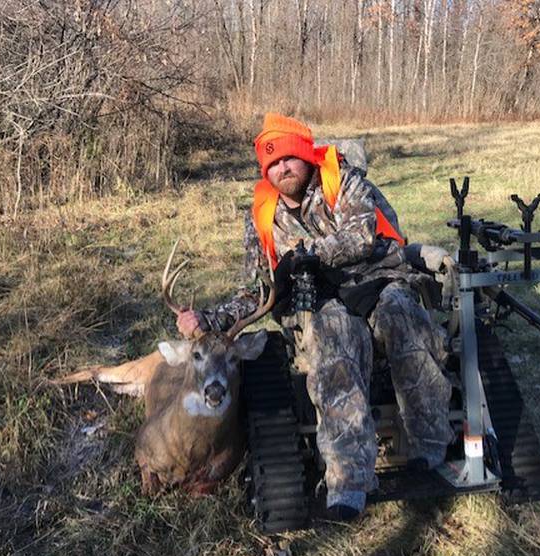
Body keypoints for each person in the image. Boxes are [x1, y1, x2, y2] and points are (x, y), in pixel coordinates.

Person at [176, 113, 455, 521]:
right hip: (318, 300)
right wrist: (210, 318)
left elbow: (362, 236)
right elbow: (255, 290)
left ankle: (429, 445)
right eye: (271, 163)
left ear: (306, 156)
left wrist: (308, 253)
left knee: (404, 316)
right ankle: (349, 479)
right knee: (332, 335)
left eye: (288, 157)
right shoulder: (262, 218)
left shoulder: (342, 182)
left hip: (379, 278)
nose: (281, 168)